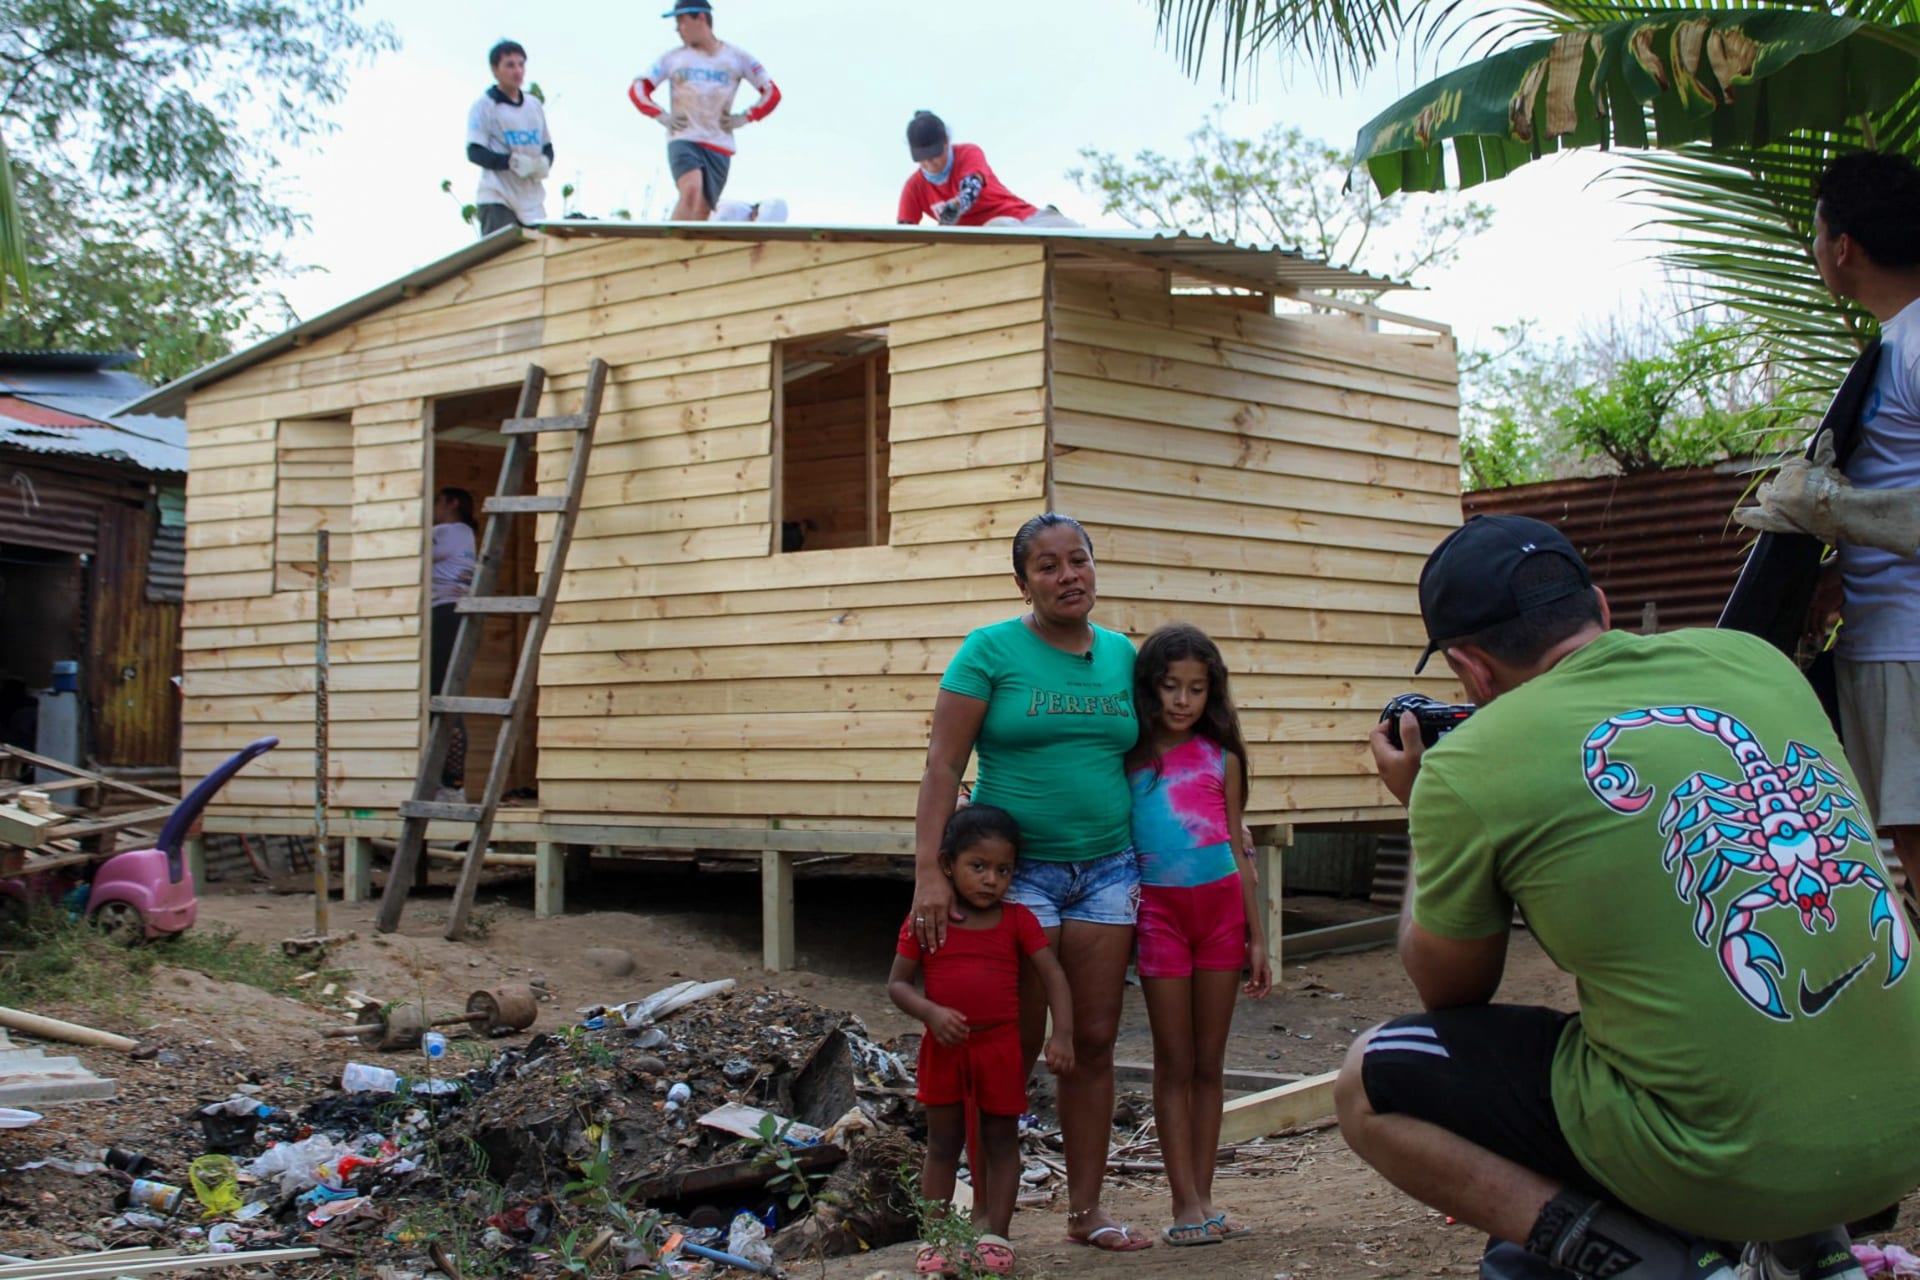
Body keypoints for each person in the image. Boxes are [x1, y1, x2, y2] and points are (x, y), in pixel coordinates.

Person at [1338, 513, 1920, 1280]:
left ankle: (1647, 1264)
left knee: (1368, 1080)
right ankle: (1816, 1252)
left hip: (1733, 1165)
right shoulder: (1759, 662)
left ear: (1469, 670)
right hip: (1900, 1140)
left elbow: (1452, 989)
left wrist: (1426, 805)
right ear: (1603, 611)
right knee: (1680, 992)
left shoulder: (1470, 761)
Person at [909, 512, 1151, 1253]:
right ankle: (987, 1226)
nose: (1067, 576)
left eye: (1077, 560)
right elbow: (944, 766)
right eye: (1047, 566)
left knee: (1096, 1040)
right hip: (1013, 881)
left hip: (1109, 869)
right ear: (1024, 582)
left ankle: (1086, 1213)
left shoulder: (1121, 658)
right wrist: (930, 874)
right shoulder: (989, 652)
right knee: (1009, 1046)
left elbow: (1147, 762)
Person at [1127, 623, 1271, 1247]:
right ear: (1150, 689)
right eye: (1169, 687)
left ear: (1210, 693)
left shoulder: (1224, 757)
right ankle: (1182, 1200)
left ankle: (1206, 1200)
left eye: (1195, 688)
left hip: (1221, 920)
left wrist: (1257, 938)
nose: (1181, 701)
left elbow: (1238, 848)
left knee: (1210, 1063)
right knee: (1174, 1062)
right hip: (1159, 918)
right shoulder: (1130, 757)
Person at [890, 805, 1075, 1278]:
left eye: (1003, 870)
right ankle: (937, 1238)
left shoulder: (1017, 920)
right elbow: (898, 985)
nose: (991, 880)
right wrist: (931, 1013)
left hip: (999, 1048)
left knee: (1000, 1142)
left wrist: (1063, 1036)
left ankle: (996, 1234)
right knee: (942, 1144)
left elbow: (1053, 975)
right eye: (978, 867)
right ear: (948, 864)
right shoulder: (925, 921)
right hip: (944, 1049)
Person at [1807, 151, 1920, 901]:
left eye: (1816, 235)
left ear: (1843, 246)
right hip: (1887, 641)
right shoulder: (1893, 344)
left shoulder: (1916, 342)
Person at [628, 0, 781, 222]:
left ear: (700, 18)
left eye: (681, 21)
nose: (678, 29)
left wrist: (747, 116)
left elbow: (771, 92)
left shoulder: (736, 57)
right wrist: (660, 114)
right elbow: (638, 87)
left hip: (719, 142)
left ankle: (685, 253)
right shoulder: (674, 58)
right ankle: (666, 243)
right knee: (690, 191)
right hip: (684, 136)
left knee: (702, 209)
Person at [897, 112, 1080, 229]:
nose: (929, 162)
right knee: (998, 230)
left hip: (1023, 219)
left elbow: (971, 189)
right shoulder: (914, 188)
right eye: (921, 157)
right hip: (987, 236)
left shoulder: (968, 154)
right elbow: (902, 235)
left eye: (934, 154)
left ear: (946, 141)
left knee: (1074, 232)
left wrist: (956, 206)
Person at [465, 39, 553, 236]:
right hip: (498, 197)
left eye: (521, 65)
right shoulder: (484, 107)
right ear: (495, 69)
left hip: (532, 201)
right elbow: (474, 151)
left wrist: (543, 163)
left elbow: (547, 145)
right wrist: (510, 162)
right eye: (510, 65)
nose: (517, 71)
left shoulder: (534, 106)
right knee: (504, 258)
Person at [430, 488, 479, 803]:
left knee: (442, 697)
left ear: (452, 504)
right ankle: (448, 782)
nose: (433, 508)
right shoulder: (465, 534)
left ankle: (451, 785)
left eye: (437, 501)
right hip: (455, 615)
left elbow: (412, 550)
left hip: (445, 614)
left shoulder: (447, 532)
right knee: (443, 696)